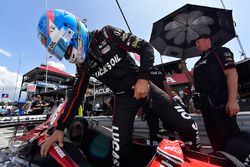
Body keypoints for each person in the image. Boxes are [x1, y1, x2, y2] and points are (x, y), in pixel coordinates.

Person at [37, 9, 200, 166]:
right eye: (59, 51)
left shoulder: (107, 34)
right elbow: (76, 97)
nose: (65, 55)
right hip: (123, 101)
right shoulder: (83, 67)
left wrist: (143, 78)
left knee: (190, 127)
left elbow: (146, 48)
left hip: (145, 89)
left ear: (71, 33)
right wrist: (60, 129)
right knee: (118, 157)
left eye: (62, 46)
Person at [179, 35, 250, 164]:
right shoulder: (197, 63)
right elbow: (194, 83)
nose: (197, 45)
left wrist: (232, 100)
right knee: (214, 139)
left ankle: (240, 162)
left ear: (208, 40)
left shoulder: (220, 52)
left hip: (221, 101)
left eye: (198, 42)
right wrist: (184, 70)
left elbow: (232, 74)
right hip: (206, 105)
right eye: (195, 44)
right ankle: (222, 162)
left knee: (230, 137)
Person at [144, 67, 192, 143]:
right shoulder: (152, 70)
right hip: (154, 102)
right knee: (160, 126)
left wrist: (171, 100)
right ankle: (164, 141)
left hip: (155, 102)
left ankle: (166, 142)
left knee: (163, 126)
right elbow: (166, 85)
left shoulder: (147, 70)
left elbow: (165, 85)